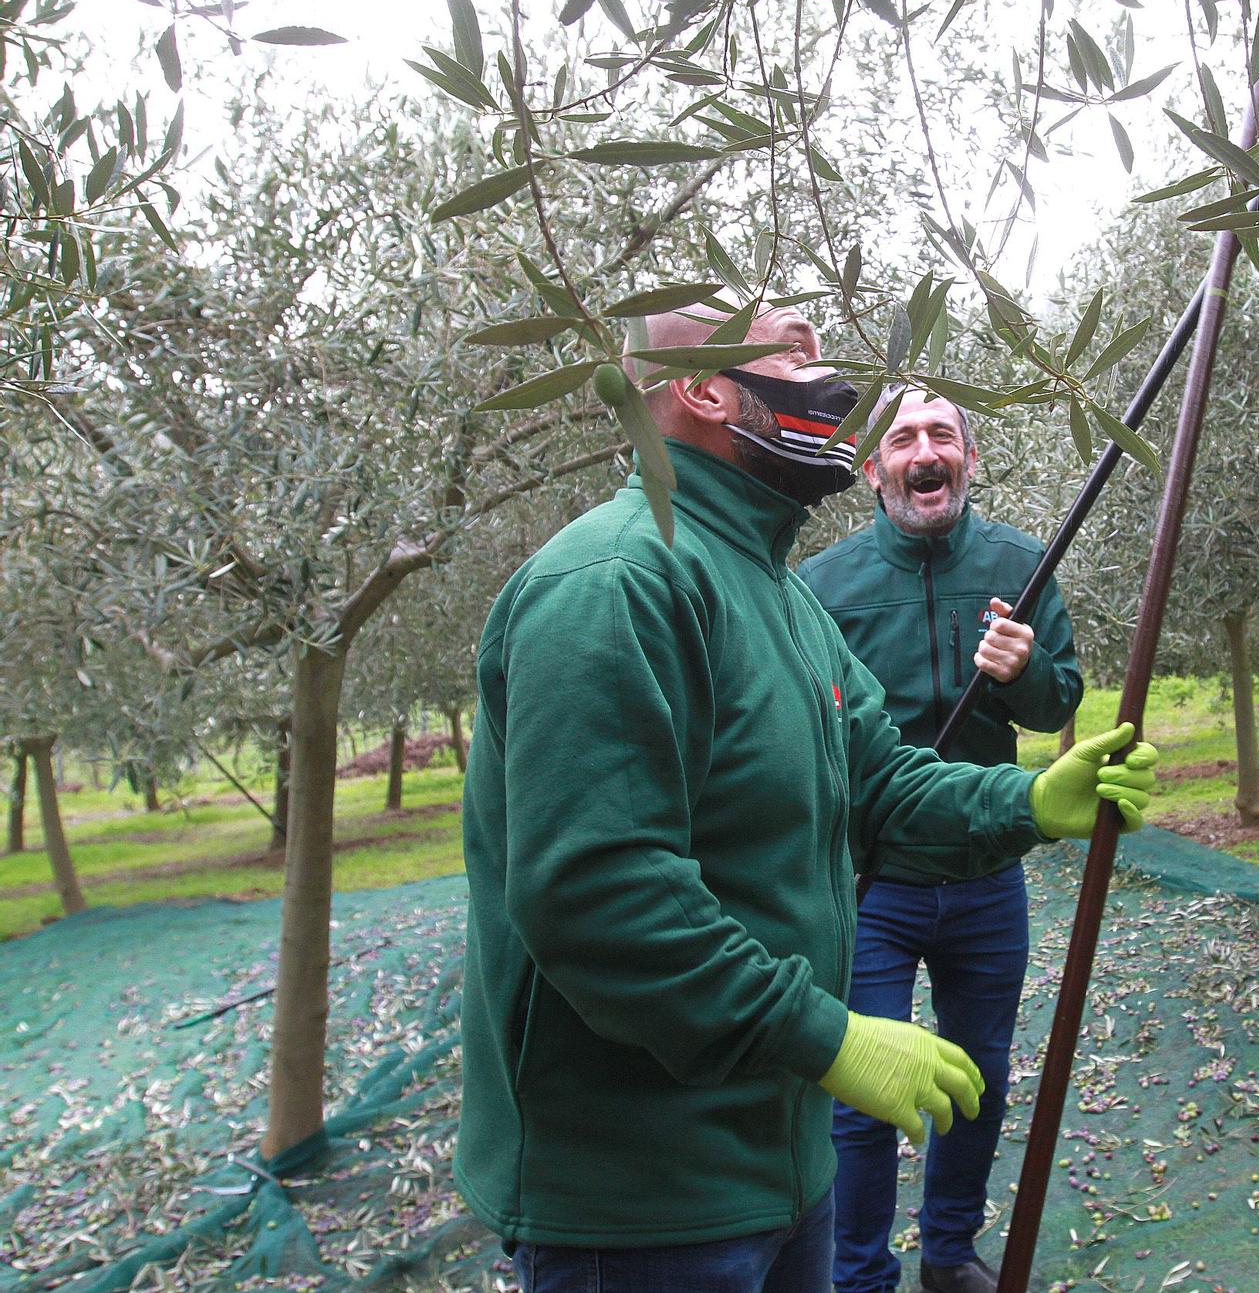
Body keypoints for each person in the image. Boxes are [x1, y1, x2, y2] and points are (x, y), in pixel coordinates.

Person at [453, 304, 1158, 1293]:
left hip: (779, 1164)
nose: (831, 389)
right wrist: (828, 1036)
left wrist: (1031, 800)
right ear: (705, 390)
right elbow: (598, 899)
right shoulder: (616, 584)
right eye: (794, 353)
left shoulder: (776, 596)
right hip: (642, 1202)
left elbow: (876, 777)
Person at [798, 392, 1083, 1293]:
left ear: (967, 457)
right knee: (865, 1093)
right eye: (904, 439)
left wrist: (1025, 669)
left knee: (978, 1077)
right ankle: (859, 1274)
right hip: (873, 882)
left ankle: (950, 1254)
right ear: (875, 468)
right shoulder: (821, 586)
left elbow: (1060, 702)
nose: (926, 453)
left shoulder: (1021, 564)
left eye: (943, 437)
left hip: (987, 875)